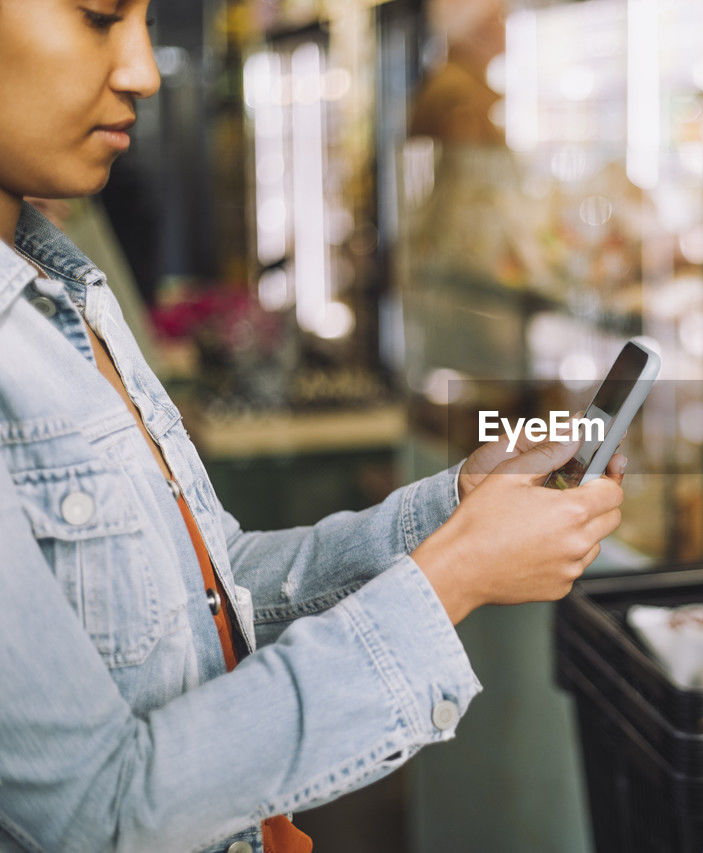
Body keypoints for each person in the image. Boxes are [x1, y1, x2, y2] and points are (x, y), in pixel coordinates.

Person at [0, 2, 626, 851]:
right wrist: (456, 574)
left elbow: (217, 593)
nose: (144, 69)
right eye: (100, 15)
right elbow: (95, 817)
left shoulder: (64, 293)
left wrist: (451, 511)